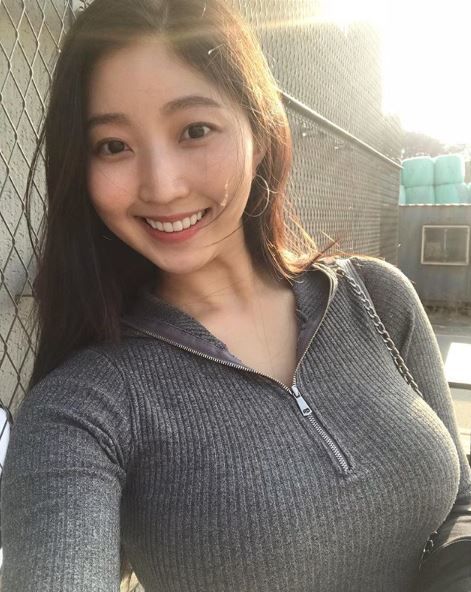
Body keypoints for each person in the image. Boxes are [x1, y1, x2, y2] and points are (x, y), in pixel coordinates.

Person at [2, 0, 470, 590]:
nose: (162, 186)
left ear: (261, 130)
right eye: (113, 146)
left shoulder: (377, 299)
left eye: (194, 131)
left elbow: (460, 498)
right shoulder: (85, 408)